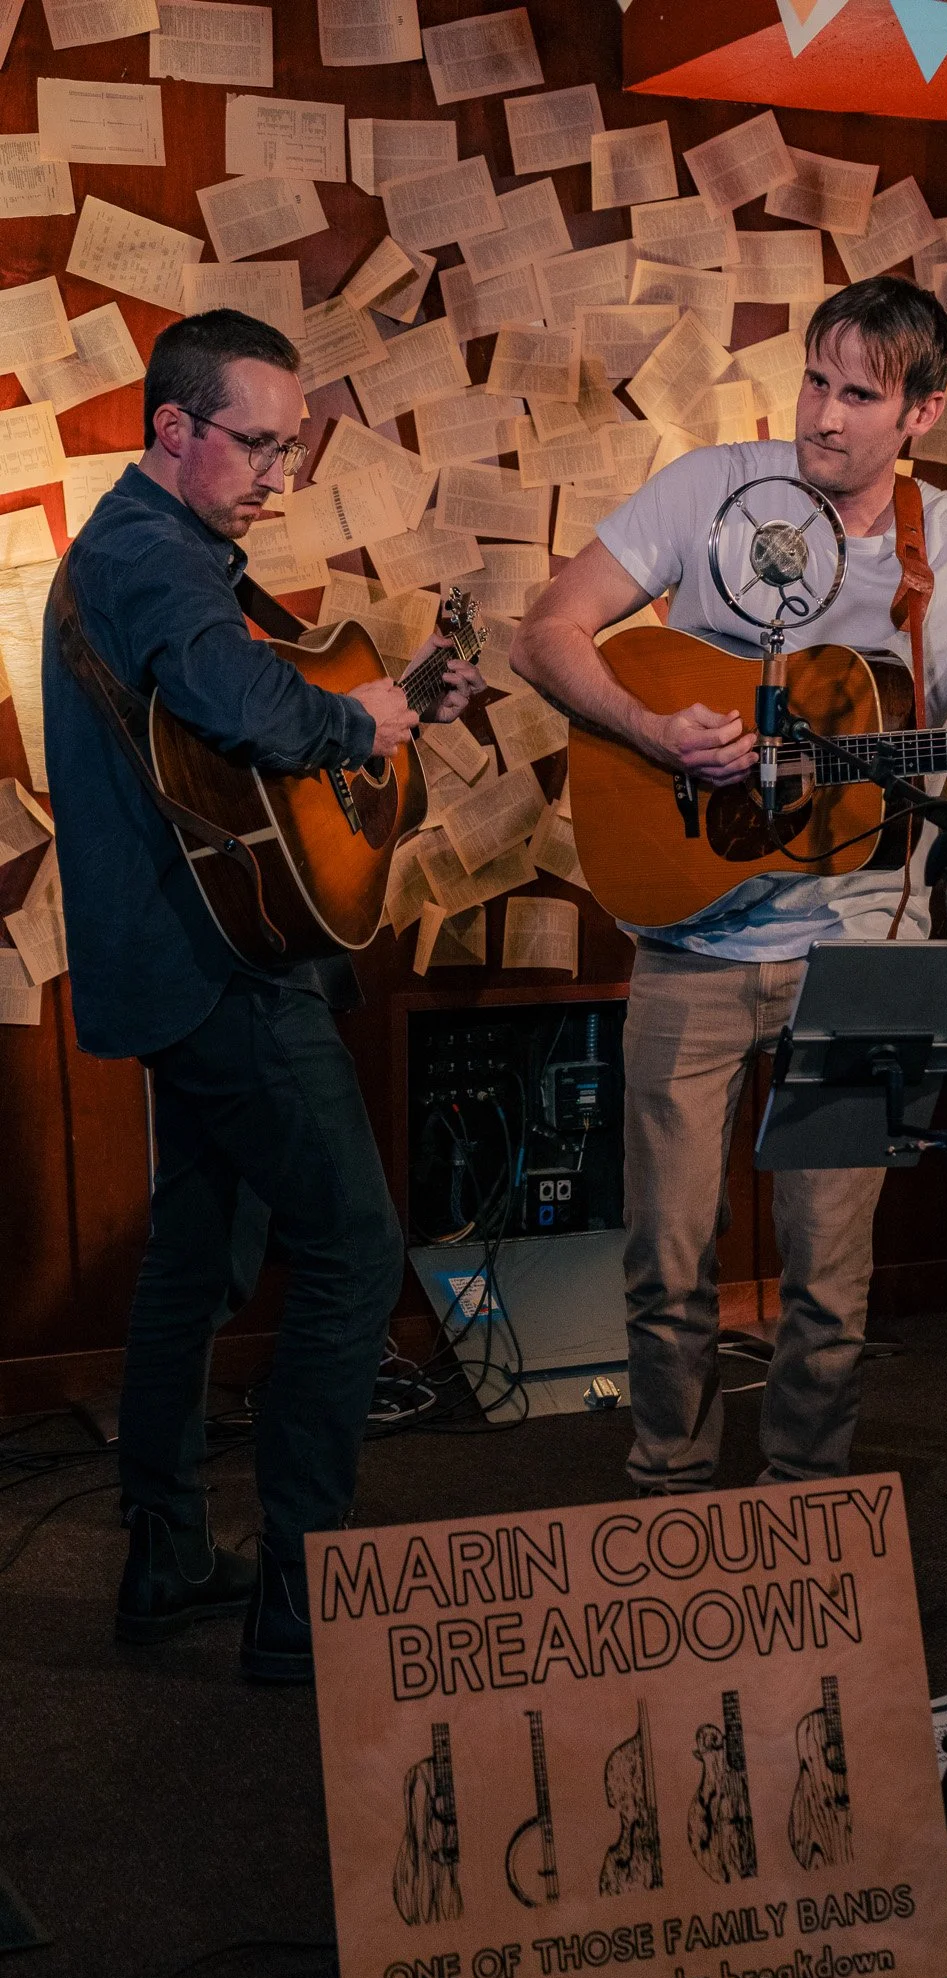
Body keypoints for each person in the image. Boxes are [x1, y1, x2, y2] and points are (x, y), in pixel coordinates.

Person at [510, 275, 947, 1496]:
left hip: (871, 949)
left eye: (861, 394)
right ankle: (671, 1488)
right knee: (666, 1255)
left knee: (831, 1280)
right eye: (816, 381)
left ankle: (812, 1515)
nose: (824, 416)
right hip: (690, 935)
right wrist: (647, 724)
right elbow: (548, 631)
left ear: (924, 413)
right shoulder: (707, 490)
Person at [41, 310, 484, 1678]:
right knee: (355, 1250)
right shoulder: (147, 555)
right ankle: (301, 1600)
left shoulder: (161, 553)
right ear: (172, 429)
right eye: (258, 444)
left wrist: (390, 704)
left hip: (197, 963)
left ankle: (169, 1547)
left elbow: (246, 747)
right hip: (224, 978)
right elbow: (244, 701)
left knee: (199, 1251)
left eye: (294, 448)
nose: (280, 472)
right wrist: (361, 723)